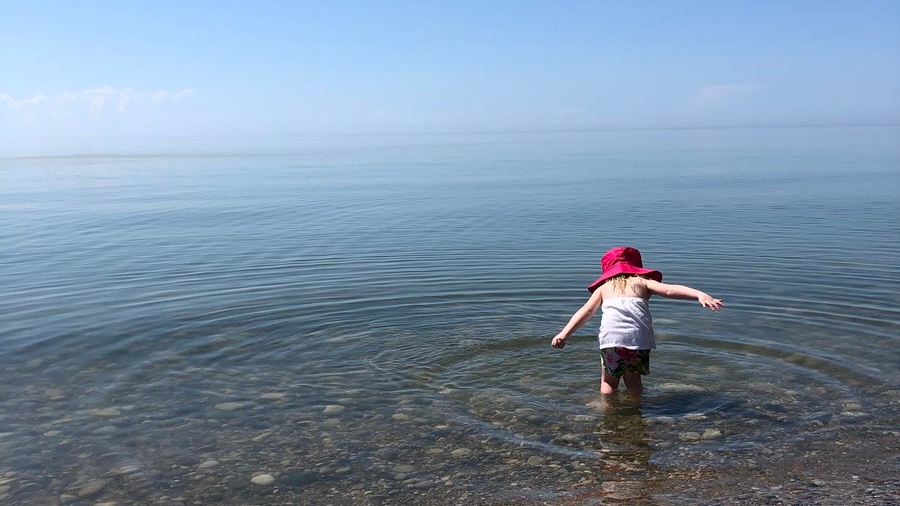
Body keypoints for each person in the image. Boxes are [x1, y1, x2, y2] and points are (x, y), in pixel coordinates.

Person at [551, 246, 723, 400]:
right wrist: (700, 295)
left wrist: (564, 334)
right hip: (638, 340)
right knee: (633, 382)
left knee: (608, 383)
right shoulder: (643, 282)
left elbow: (587, 312)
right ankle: (635, 411)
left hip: (611, 340)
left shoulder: (603, 288)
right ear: (637, 267)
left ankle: (607, 413)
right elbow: (670, 290)